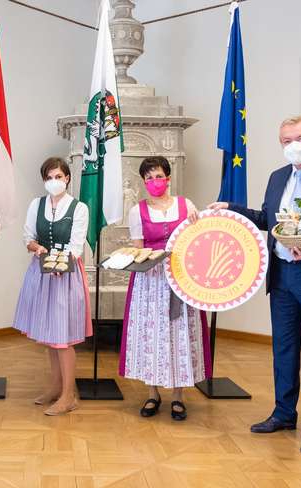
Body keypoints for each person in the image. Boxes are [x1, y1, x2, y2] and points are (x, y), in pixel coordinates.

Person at [208, 115, 301, 455]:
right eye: (286, 141)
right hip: (283, 277)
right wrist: (230, 208)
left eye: (300, 138)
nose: (293, 145)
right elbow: (268, 219)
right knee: (284, 349)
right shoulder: (278, 177)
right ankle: (283, 413)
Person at [119, 156, 211, 421]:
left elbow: (198, 241)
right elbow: (138, 248)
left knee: (179, 333)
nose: (154, 182)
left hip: (182, 278)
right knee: (153, 335)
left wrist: (197, 224)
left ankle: (179, 395)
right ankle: (152, 392)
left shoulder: (187, 205)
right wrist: (152, 255)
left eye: (158, 176)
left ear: (168, 178)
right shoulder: (138, 211)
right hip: (151, 281)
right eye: (148, 178)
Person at [12, 157, 92, 416]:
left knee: (63, 338)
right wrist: (35, 247)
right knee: (50, 337)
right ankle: (56, 387)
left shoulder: (79, 208)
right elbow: (28, 237)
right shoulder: (37, 204)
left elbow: (77, 246)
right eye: (49, 177)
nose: (54, 181)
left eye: (58, 176)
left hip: (65, 275)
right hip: (40, 272)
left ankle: (69, 395)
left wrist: (59, 263)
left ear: (67, 178)